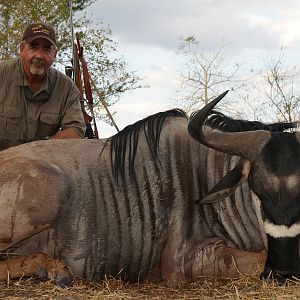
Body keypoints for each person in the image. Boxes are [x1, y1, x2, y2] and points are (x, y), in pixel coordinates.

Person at [0, 23, 86, 150]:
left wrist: (39, 148)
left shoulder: (67, 88)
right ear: (22, 49)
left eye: (46, 49)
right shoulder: (2, 74)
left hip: (43, 163)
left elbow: (76, 130)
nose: (39, 56)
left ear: (55, 54)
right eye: (33, 47)